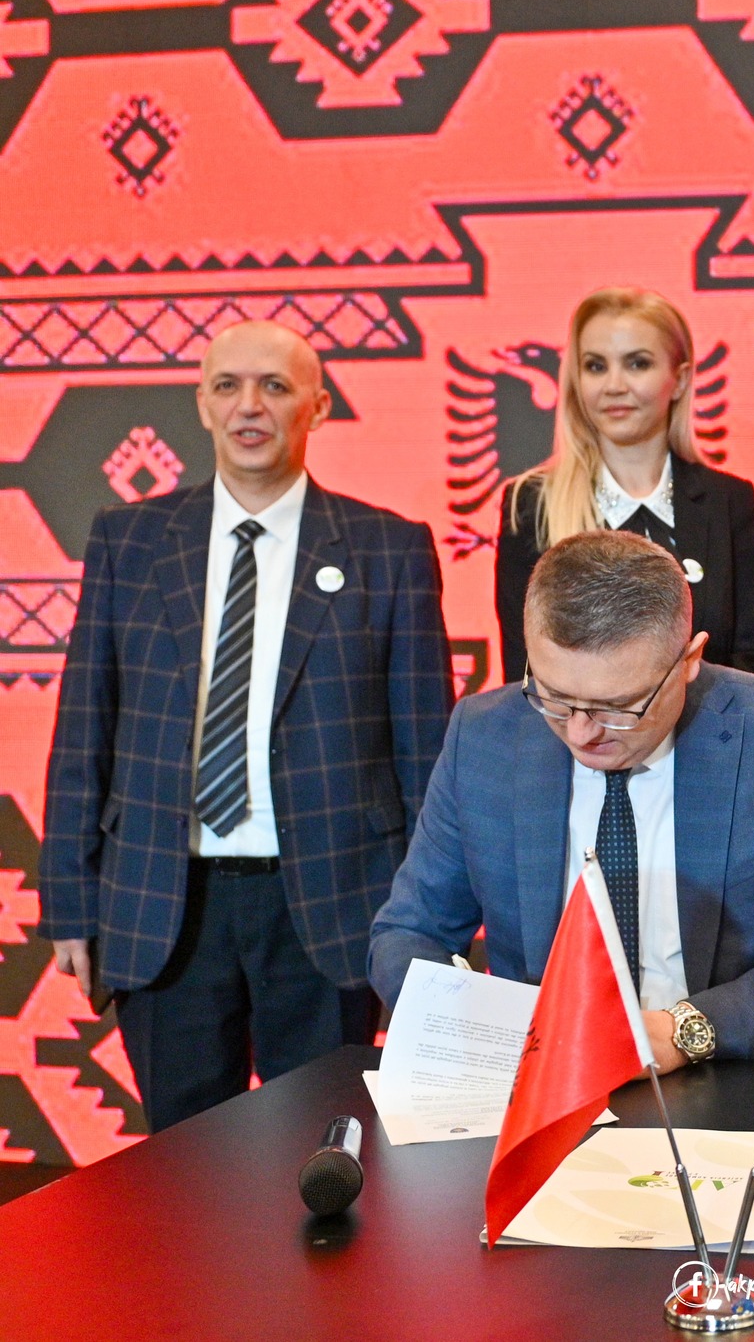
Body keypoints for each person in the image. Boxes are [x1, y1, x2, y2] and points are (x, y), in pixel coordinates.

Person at [39, 320, 453, 1130]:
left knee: (319, 1149)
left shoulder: (388, 549)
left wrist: (430, 917)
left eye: (275, 386)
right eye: (227, 385)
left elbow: (426, 750)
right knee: (180, 1157)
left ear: (317, 407)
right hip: (163, 902)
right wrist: (70, 903)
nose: (249, 405)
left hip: (333, 903)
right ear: (202, 404)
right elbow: (83, 729)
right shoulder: (129, 541)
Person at [371, 531, 754, 1067]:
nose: (581, 733)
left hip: (725, 1075)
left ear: (689, 660)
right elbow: (407, 934)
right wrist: (479, 1024)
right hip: (543, 1075)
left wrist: (680, 1034)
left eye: (617, 707)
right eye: (554, 697)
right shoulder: (485, 734)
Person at [495, 287, 754, 686]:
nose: (614, 385)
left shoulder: (729, 502)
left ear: (679, 380)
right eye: (595, 366)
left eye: (637, 364)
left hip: (712, 727)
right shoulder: (531, 505)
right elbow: (524, 672)